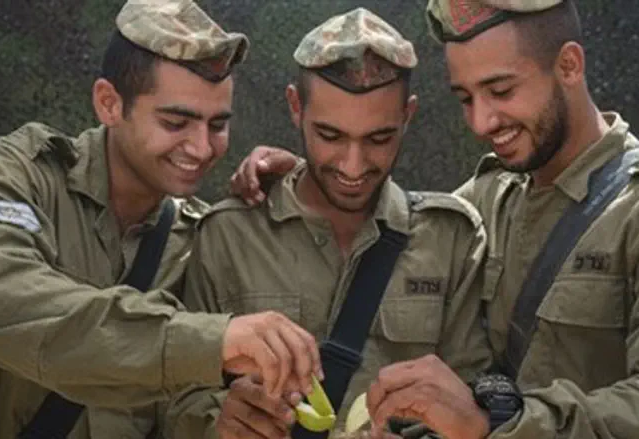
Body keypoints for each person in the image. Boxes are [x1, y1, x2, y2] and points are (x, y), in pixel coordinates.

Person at [232, 1, 639, 438]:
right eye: (466, 98)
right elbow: (399, 221)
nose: (481, 122)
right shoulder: (489, 196)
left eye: (501, 90)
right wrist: (309, 178)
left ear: (568, 65)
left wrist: (501, 422)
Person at [0, 1, 320, 437]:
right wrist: (211, 342)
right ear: (109, 103)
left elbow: (176, 407)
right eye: (175, 122)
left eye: (218, 125)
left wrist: (221, 418)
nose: (202, 148)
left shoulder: (195, 241)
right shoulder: (15, 176)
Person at [164, 7, 493, 439]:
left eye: (379, 138)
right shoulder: (228, 234)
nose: (353, 166)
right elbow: (173, 399)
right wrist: (217, 420)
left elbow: (472, 398)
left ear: (407, 115)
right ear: (295, 108)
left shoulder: (451, 238)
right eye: (330, 136)